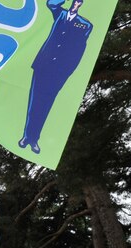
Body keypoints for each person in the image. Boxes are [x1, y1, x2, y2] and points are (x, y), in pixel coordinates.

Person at [19, 0, 93, 153]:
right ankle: (27, 136)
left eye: (79, 2)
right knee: (34, 101)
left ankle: (34, 139)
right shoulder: (61, 13)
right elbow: (51, 4)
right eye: (75, 1)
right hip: (43, 64)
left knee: (46, 104)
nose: (76, 3)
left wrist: (67, 71)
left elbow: (79, 49)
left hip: (59, 71)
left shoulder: (84, 24)